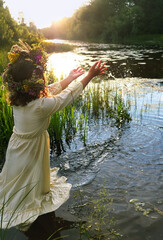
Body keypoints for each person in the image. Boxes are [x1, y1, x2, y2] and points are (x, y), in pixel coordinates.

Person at [0, 40, 107, 231]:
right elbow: (66, 96)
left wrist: (68, 78)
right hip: (30, 149)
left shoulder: (20, 99)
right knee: (28, 188)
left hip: (18, 147)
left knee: (19, 180)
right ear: (32, 83)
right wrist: (89, 75)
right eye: (39, 76)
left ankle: (30, 215)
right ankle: (37, 225)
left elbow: (48, 91)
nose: (42, 79)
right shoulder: (41, 106)